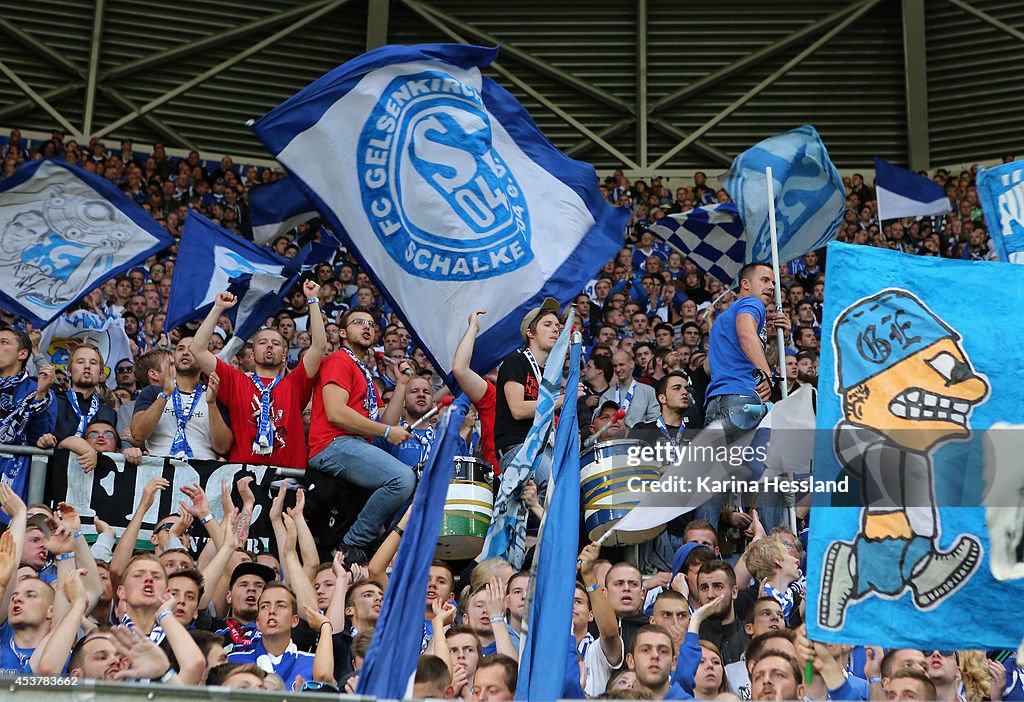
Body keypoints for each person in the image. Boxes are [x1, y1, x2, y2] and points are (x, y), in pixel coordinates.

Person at [307, 306, 415, 564]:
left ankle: (366, 539)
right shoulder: (339, 361)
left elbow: (384, 419)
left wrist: (401, 385)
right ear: (342, 332)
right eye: (358, 322)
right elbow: (336, 413)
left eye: (370, 323)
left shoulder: (362, 372)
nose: (367, 327)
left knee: (406, 477)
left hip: (351, 445)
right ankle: (354, 541)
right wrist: (388, 431)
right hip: (331, 445)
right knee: (401, 478)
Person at [189, 279, 326, 469]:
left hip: (289, 475)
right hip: (244, 473)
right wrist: (218, 308)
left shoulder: (295, 383)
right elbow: (197, 349)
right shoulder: (235, 380)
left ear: (284, 355)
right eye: (262, 342)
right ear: (252, 355)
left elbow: (319, 347)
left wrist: (312, 300)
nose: (270, 345)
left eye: (276, 343)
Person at [130, 336, 231, 459]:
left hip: (202, 470)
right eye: (180, 349)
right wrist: (165, 394)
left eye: (192, 349)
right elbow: (138, 433)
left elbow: (223, 447)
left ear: (205, 357)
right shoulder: (152, 392)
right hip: (160, 468)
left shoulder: (214, 393)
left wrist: (212, 404)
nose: (185, 352)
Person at [0, 326, 55, 504]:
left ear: (22, 354)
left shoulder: (38, 390)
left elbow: (38, 438)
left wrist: (39, 397)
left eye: (3, 342)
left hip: (11, 482)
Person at [38, 344, 117, 446]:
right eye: (80, 362)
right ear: (69, 372)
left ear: (101, 374)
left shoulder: (109, 413)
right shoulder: (53, 402)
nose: (87, 366)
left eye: (93, 363)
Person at [600, 350, 660, 428]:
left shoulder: (648, 391)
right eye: (615, 366)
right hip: (615, 439)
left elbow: (654, 420)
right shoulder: (606, 396)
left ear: (631, 364)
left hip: (640, 438)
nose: (618, 369)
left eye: (621, 365)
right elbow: (601, 423)